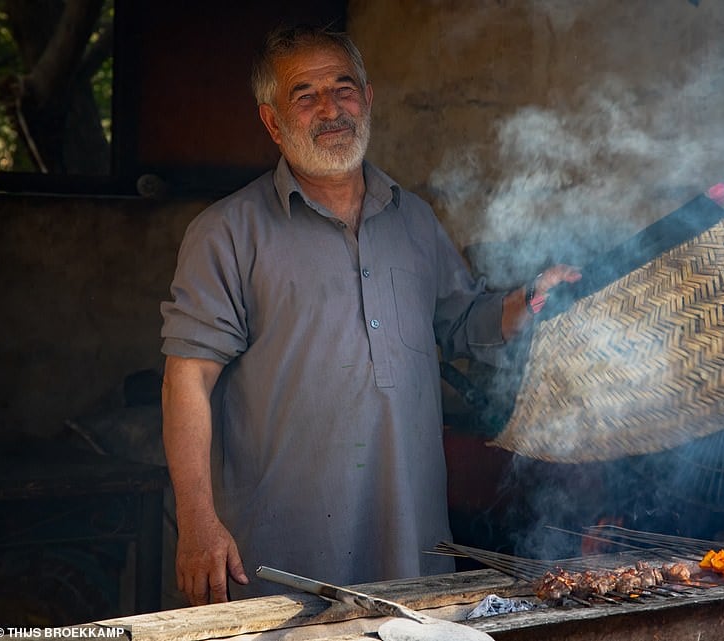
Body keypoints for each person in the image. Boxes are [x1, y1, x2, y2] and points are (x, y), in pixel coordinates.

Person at [160, 23, 580, 606]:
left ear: (369, 97)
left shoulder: (413, 219)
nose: (330, 108)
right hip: (281, 556)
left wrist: (531, 300)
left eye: (343, 87)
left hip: (410, 545)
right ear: (272, 121)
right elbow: (187, 379)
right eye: (304, 95)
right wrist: (197, 520)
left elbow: (464, 322)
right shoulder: (226, 234)